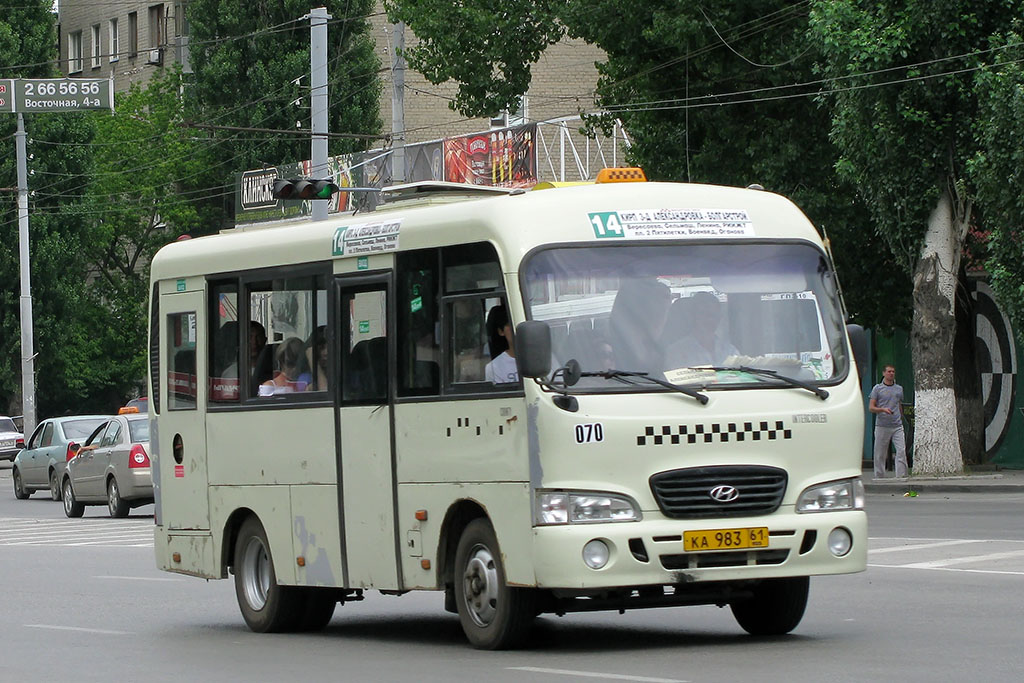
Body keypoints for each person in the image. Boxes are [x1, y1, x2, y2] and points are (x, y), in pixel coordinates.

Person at [608, 278, 671, 372]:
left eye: (667, 311)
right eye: (659, 312)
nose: (663, 319)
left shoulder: (671, 346)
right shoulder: (608, 351)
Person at [663, 291, 739, 369]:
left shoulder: (730, 351)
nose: (710, 320)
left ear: (719, 318)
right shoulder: (676, 352)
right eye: (704, 314)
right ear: (693, 316)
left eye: (713, 315)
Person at [869, 364, 908, 478]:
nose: (891, 373)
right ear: (884, 373)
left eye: (893, 372)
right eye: (889, 371)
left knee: (901, 450)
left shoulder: (899, 389)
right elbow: (871, 407)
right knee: (880, 453)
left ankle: (901, 476)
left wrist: (901, 416)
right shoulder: (877, 388)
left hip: (897, 425)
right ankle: (879, 476)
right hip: (882, 425)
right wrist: (882, 410)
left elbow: (898, 404)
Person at [484, 305, 519, 384]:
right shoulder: (494, 368)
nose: (515, 329)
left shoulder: (546, 358)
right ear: (501, 331)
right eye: (509, 325)